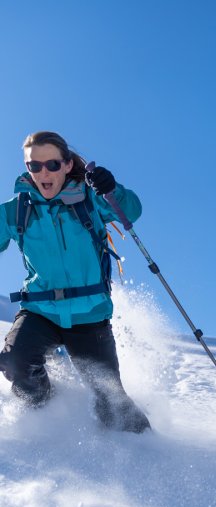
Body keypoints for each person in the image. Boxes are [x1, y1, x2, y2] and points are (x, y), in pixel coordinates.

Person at [0, 131, 150, 433]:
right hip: (40, 311)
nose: (44, 173)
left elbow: (131, 211)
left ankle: (145, 446)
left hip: (89, 314)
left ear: (67, 165)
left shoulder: (89, 199)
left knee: (112, 403)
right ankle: (45, 412)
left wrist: (112, 189)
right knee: (16, 361)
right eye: (35, 166)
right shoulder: (16, 210)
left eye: (52, 165)